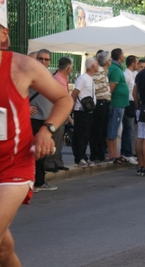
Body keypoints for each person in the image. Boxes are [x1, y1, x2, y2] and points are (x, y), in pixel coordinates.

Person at [0, 19, 73, 266]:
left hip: (13, 165)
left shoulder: (22, 66)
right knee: (3, 250)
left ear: (3, 34)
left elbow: (64, 99)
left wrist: (46, 131)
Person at [29, 49, 60, 191]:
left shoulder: (49, 76)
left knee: (42, 152)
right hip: (32, 118)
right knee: (33, 151)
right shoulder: (28, 74)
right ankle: (34, 182)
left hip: (46, 120)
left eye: (46, 59)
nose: (43, 61)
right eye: (40, 59)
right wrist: (25, 107)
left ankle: (39, 181)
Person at [44, 56, 74, 172]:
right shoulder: (58, 79)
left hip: (61, 112)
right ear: (68, 68)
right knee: (55, 138)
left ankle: (57, 160)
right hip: (56, 112)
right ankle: (50, 162)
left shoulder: (62, 78)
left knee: (59, 138)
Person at [71, 58, 99, 167]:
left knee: (86, 134)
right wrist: (71, 107)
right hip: (81, 111)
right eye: (96, 64)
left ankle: (83, 156)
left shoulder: (90, 78)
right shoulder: (83, 79)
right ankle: (79, 158)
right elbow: (75, 93)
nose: (98, 66)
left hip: (88, 111)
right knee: (80, 135)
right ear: (92, 66)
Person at [107, 48, 130, 164]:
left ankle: (115, 152)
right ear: (120, 57)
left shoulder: (116, 68)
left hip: (119, 103)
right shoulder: (115, 69)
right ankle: (112, 152)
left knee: (115, 128)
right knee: (113, 128)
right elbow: (112, 87)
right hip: (116, 104)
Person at [89, 51, 112, 165]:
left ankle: (101, 154)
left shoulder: (103, 72)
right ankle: (95, 155)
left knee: (102, 130)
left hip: (105, 102)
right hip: (100, 103)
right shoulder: (99, 72)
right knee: (97, 130)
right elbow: (97, 89)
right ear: (108, 61)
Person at [121, 55, 139, 165]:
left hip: (133, 103)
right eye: (136, 63)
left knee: (131, 129)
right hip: (128, 103)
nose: (137, 65)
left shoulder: (133, 74)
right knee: (128, 128)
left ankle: (128, 152)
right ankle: (126, 153)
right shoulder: (126, 75)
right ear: (132, 63)